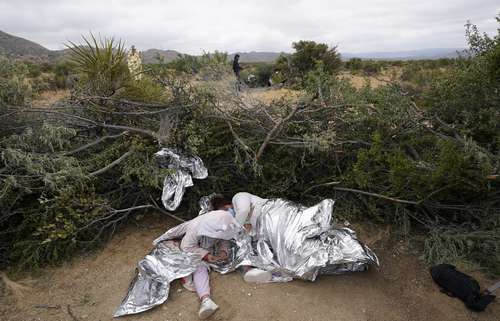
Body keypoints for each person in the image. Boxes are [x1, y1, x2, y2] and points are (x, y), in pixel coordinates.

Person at [155, 199, 241, 319]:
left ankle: (206, 300)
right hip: (180, 246)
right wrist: (206, 255)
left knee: (200, 265)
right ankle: (206, 300)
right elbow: (186, 247)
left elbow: (224, 239)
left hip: (197, 248)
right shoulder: (196, 227)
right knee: (199, 267)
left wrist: (223, 252)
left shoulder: (222, 220)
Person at [211, 193, 273, 283]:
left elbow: (244, 210)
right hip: (268, 227)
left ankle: (253, 269)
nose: (226, 213)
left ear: (227, 204)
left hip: (273, 215)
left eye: (225, 209)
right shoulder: (237, 216)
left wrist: (240, 225)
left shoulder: (238, 196)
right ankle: (253, 270)